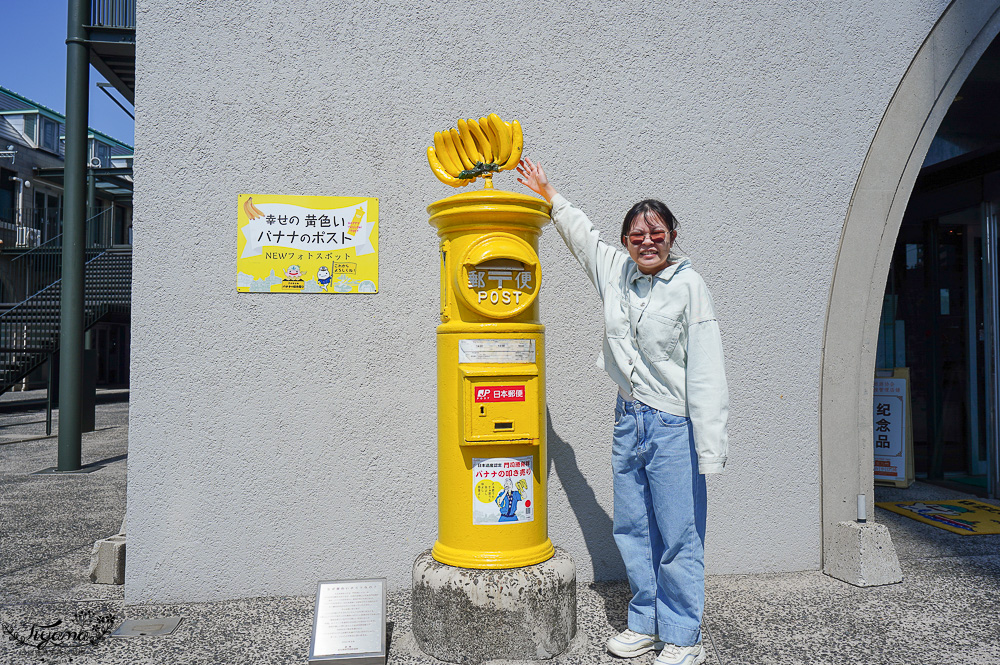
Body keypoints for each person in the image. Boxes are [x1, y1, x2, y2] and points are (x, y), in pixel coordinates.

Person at [516, 158, 728, 665]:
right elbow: (583, 237)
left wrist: (710, 445)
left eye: (656, 232)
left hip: (673, 422)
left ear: (673, 235)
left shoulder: (689, 287)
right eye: (636, 234)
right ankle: (645, 622)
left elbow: (706, 368)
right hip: (627, 417)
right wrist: (550, 196)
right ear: (627, 241)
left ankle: (683, 634)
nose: (646, 241)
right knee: (632, 525)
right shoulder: (617, 273)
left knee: (678, 531)